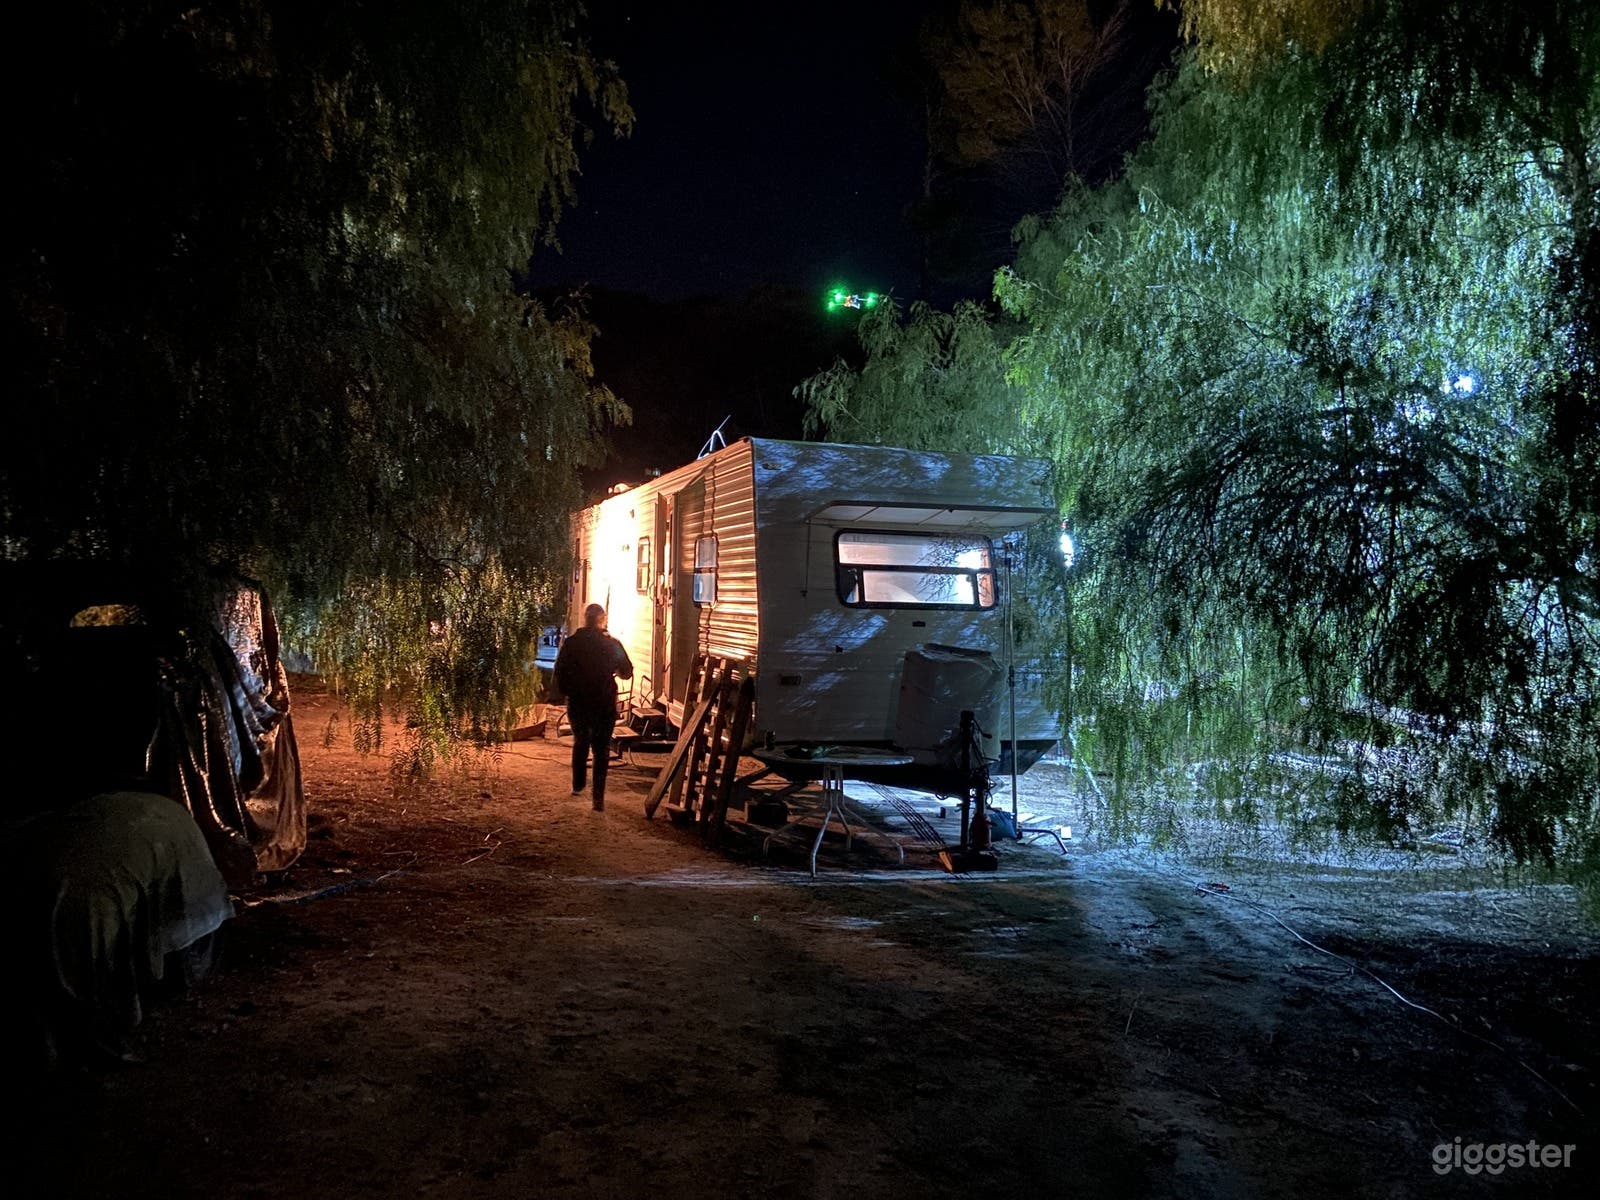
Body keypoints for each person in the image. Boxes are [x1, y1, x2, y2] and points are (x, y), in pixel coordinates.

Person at [552, 603, 633, 810]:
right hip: (603, 701)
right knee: (601, 748)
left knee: (581, 742)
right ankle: (598, 797)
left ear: (584, 619)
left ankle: (578, 785)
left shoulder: (572, 643)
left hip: (579, 701)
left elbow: (560, 672)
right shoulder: (611, 644)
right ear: (602, 619)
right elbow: (627, 671)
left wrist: (567, 692)